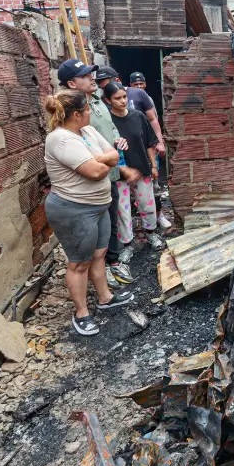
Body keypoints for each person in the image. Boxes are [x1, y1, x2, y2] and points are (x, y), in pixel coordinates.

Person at [43, 89, 134, 336]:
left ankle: (105, 298)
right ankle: (81, 313)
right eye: (87, 110)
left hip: (98, 206)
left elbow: (115, 156)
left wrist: (100, 159)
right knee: (79, 262)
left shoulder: (87, 131)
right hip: (74, 209)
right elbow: (94, 172)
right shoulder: (60, 139)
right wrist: (103, 161)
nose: (90, 113)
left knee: (99, 253)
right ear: (76, 115)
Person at [58, 59, 134, 287]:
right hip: (87, 182)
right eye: (85, 75)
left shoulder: (99, 102)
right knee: (92, 230)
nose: (93, 78)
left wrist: (116, 139)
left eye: (91, 73)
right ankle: (92, 272)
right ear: (72, 84)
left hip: (108, 175)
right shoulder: (67, 113)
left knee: (110, 222)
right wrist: (108, 158)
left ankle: (111, 262)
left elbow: (110, 127)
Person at [103, 82, 165, 251]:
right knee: (123, 210)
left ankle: (151, 233)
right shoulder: (107, 122)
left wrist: (153, 167)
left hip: (142, 169)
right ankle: (128, 244)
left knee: (147, 204)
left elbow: (149, 143)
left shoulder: (138, 116)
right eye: (117, 98)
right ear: (108, 100)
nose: (123, 101)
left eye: (124, 97)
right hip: (119, 174)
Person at [128, 72, 171, 232]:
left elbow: (154, 121)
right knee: (133, 185)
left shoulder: (147, 99)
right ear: (130, 86)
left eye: (141, 84)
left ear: (145, 84)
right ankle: (139, 220)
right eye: (135, 85)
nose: (139, 87)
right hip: (131, 150)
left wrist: (159, 142)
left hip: (149, 148)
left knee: (154, 184)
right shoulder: (125, 99)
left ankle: (158, 216)